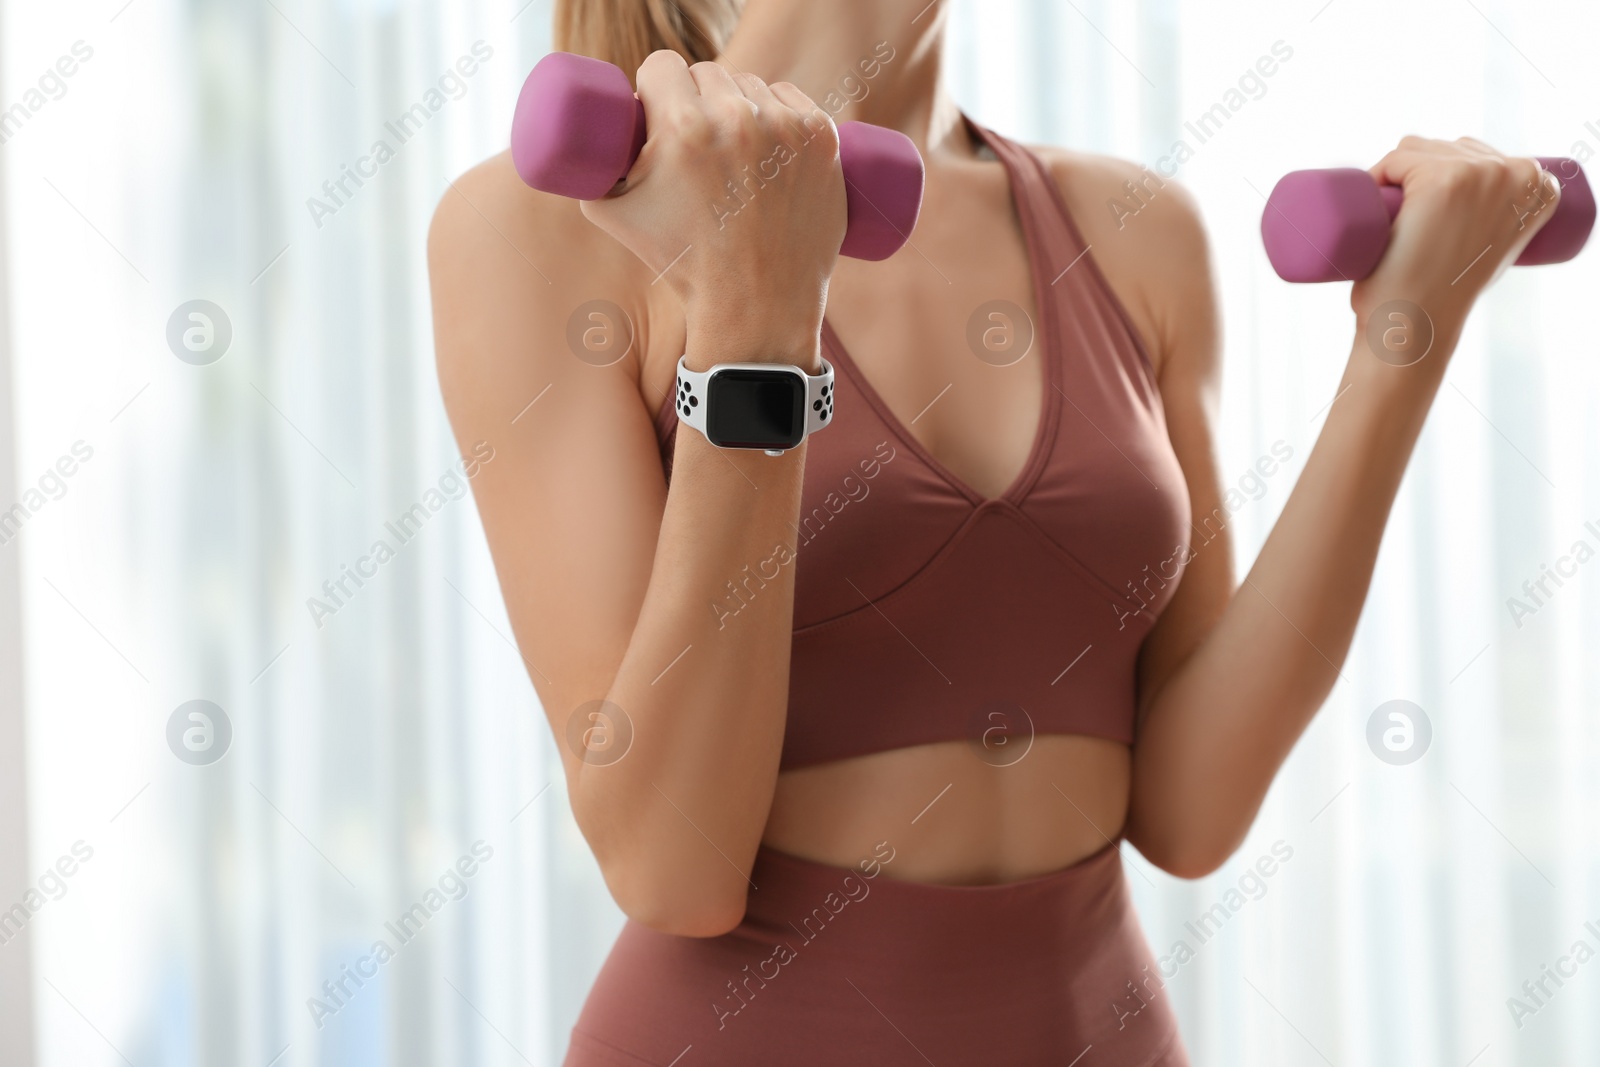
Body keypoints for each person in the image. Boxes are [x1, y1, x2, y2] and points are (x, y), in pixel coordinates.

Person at [427, 1, 1557, 1062]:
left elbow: (1189, 809)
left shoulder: (1134, 228)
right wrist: (753, 316)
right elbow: (672, 864)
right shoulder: (548, 226)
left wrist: (1405, 335)